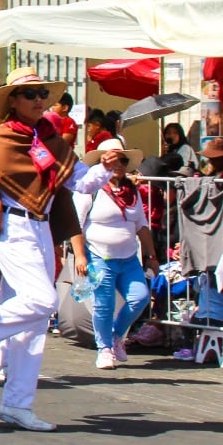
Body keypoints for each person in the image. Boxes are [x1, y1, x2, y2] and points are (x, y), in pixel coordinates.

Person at [0, 68, 124, 430]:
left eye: (42, 93)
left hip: (42, 228)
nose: (39, 99)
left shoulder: (52, 139)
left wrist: (104, 168)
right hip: (13, 227)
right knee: (42, 301)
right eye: (30, 94)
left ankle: (17, 404)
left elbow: (80, 184)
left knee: (35, 324)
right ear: (13, 100)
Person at [75, 138, 157, 370]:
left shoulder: (132, 191)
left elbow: (142, 225)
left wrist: (152, 256)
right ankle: (104, 349)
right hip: (99, 255)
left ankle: (115, 337)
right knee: (104, 304)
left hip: (129, 257)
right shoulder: (89, 189)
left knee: (139, 297)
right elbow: (76, 225)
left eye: (122, 160)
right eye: (113, 160)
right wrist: (80, 256)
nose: (118, 164)